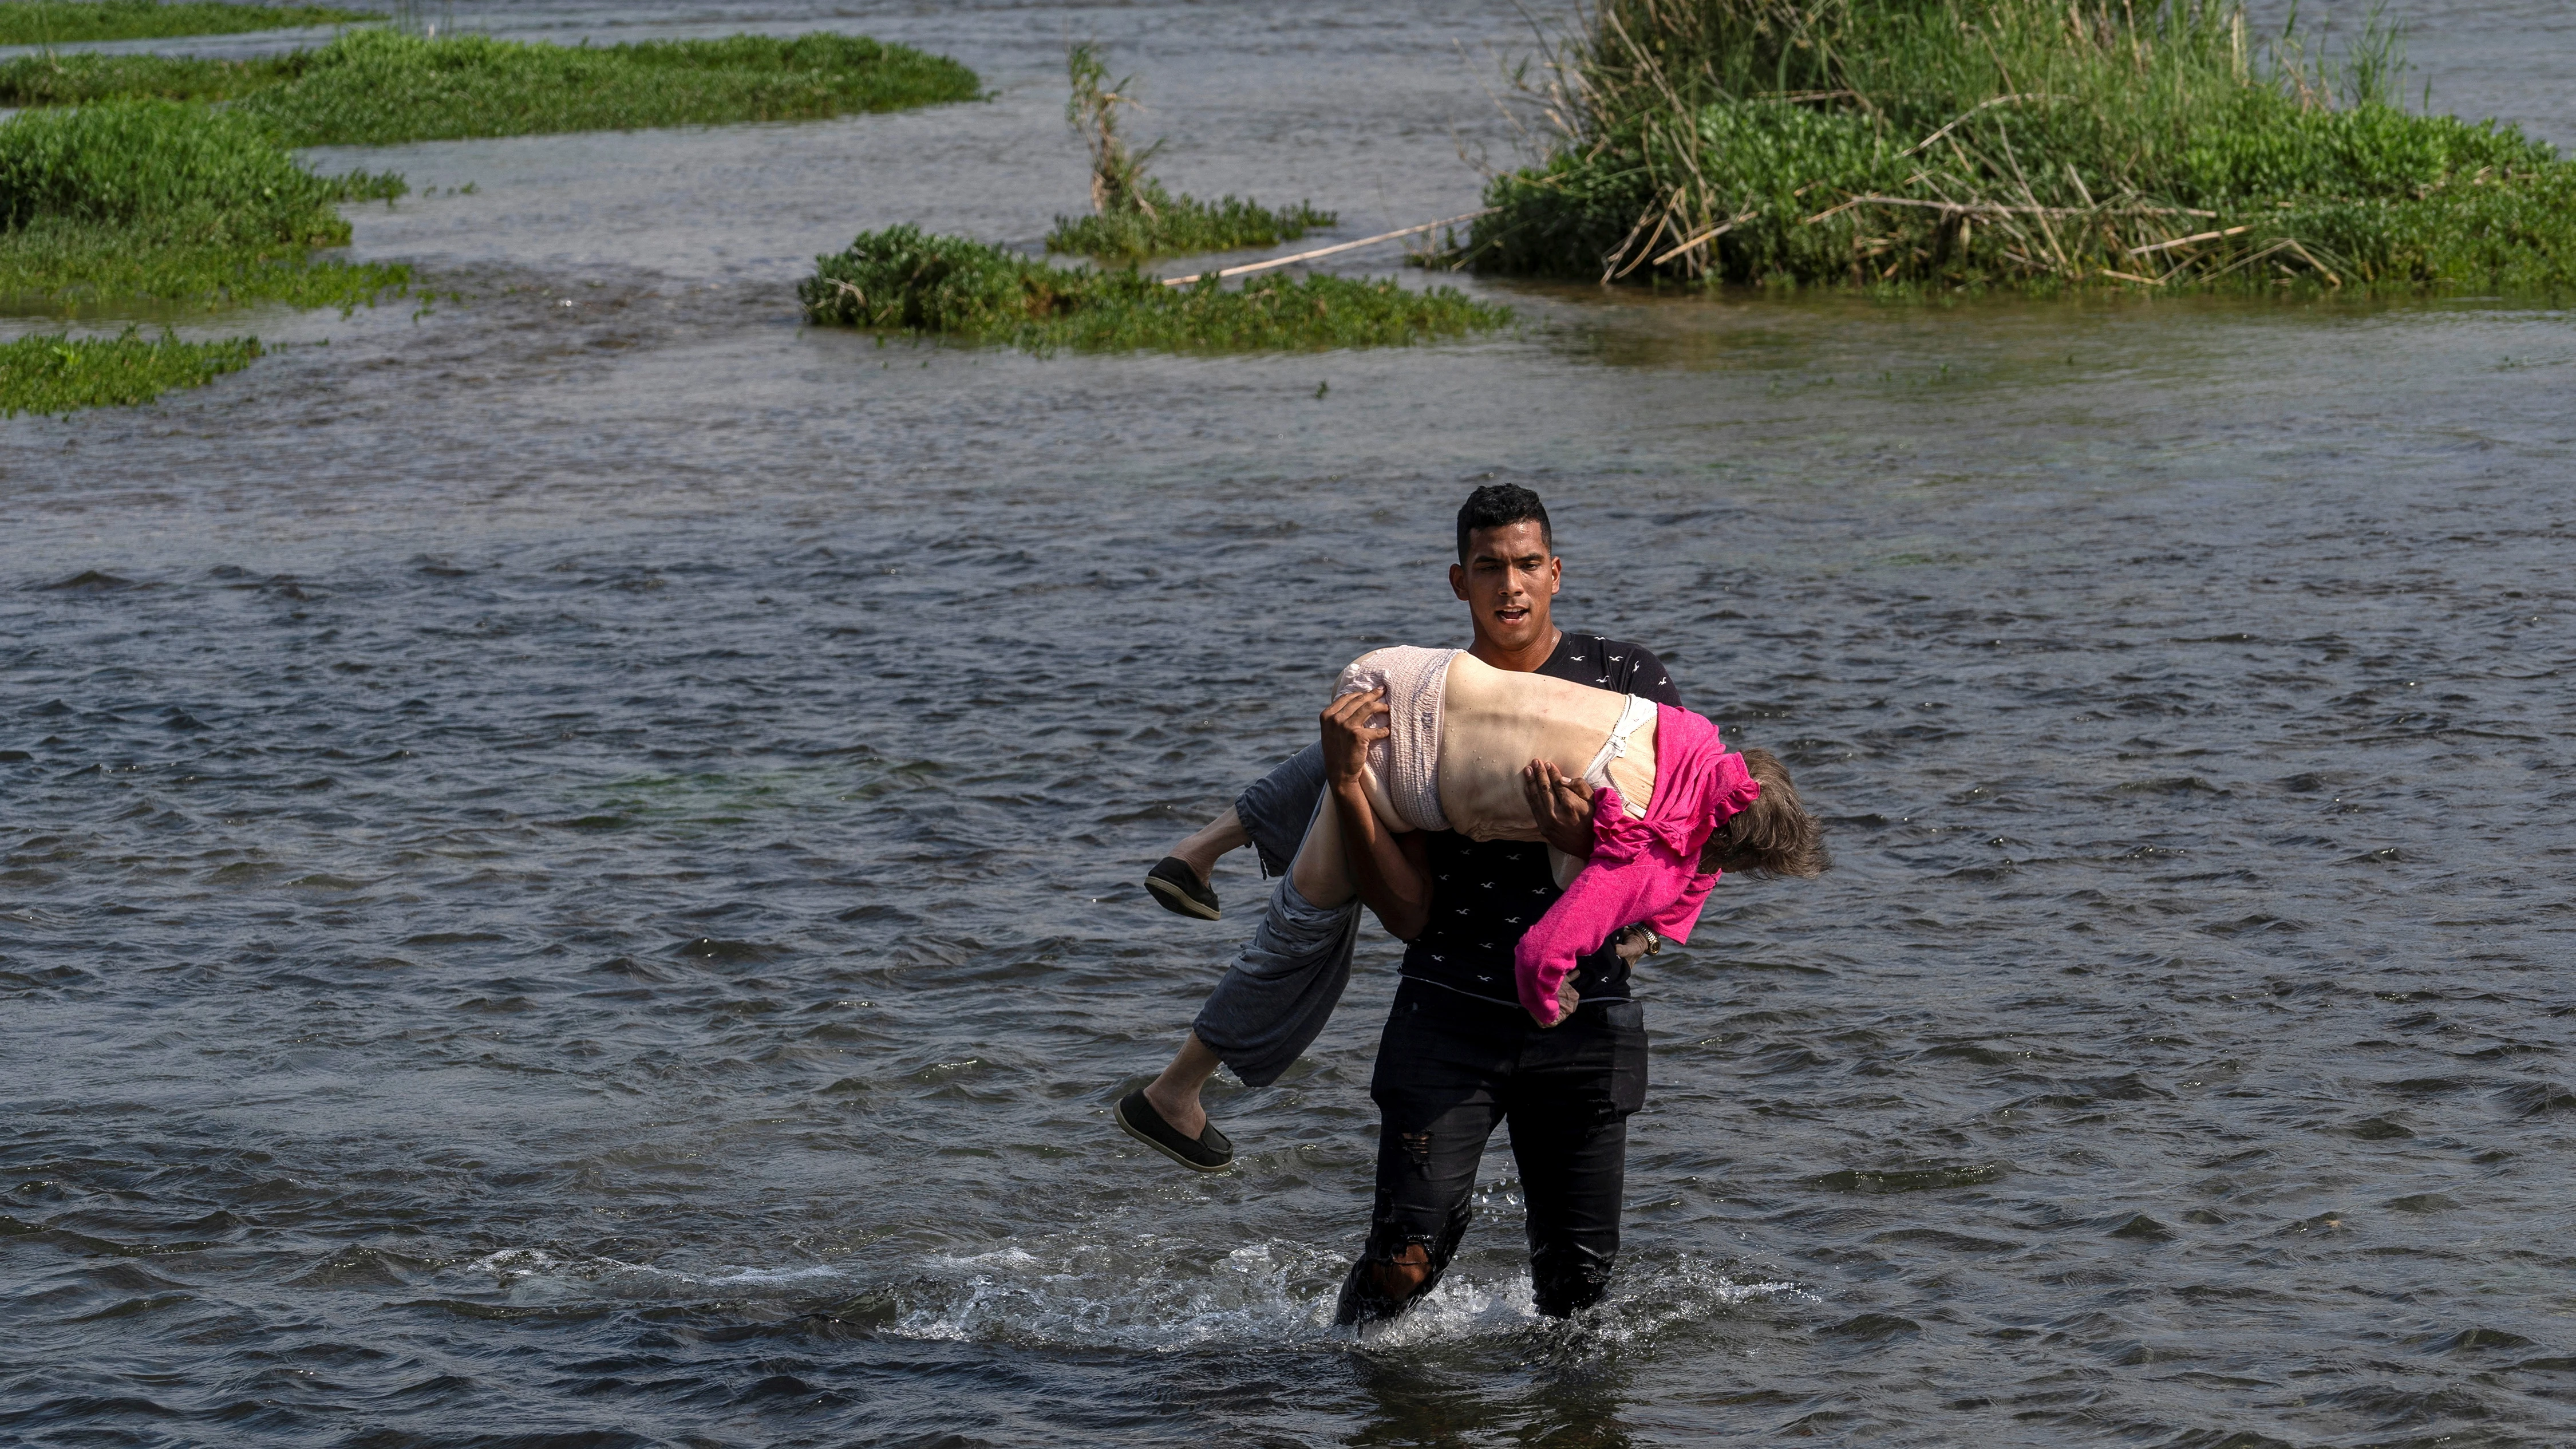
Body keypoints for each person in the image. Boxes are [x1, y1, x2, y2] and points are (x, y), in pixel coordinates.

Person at [1116, 485, 1682, 1175]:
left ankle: (1202, 861)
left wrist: (1635, 936)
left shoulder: (1619, 676)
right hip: (1449, 1000)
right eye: (1488, 568)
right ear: (1458, 580)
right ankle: (1179, 1073)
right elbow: (1411, 914)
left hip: (1580, 1001)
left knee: (1384, 732)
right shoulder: (1435, 686)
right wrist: (1349, 781)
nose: (1511, 587)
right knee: (1345, 794)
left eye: (1528, 565)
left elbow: (1683, 833)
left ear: (1555, 572)